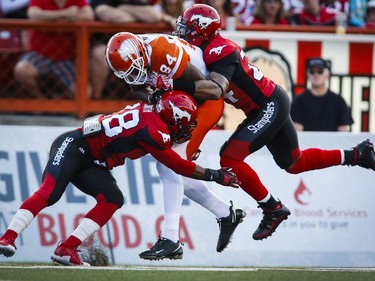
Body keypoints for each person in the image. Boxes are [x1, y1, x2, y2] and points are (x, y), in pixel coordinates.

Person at [173, 3, 375, 240]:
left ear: (202, 29)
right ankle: (357, 155)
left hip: (269, 104)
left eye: (188, 27)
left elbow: (216, 90)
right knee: (294, 162)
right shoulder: (206, 48)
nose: (182, 32)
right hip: (268, 104)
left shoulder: (218, 49)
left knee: (229, 158)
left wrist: (175, 85)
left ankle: (272, 208)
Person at [0, 91, 240, 266]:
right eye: (183, 124)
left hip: (94, 160)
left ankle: (67, 248)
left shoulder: (153, 108)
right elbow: (177, 165)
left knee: (112, 199)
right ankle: (7, 238)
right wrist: (216, 175)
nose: (185, 129)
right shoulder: (153, 131)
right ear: (170, 119)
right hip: (74, 145)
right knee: (50, 192)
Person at [105, 32, 246, 259]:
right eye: (127, 72)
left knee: (168, 166)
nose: (133, 74)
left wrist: (171, 94)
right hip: (179, 99)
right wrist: (155, 98)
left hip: (204, 101)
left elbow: (205, 89)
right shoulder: (130, 58)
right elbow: (137, 89)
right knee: (176, 171)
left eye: (134, 68)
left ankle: (171, 238)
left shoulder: (162, 52)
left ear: (142, 53)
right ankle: (225, 213)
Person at [13, 0, 94, 99]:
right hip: (40, 54)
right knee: (22, 69)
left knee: (85, 93)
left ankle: (58, 101)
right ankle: (41, 101)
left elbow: (89, 15)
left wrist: (52, 17)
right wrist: (65, 14)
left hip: (66, 59)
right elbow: (33, 14)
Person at [291, 58, 353, 132]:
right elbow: (298, 134)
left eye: (320, 71)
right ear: (307, 74)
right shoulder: (299, 101)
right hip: (307, 143)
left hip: (333, 143)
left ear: (328, 74)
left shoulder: (339, 101)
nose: (316, 74)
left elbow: (343, 134)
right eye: (312, 71)